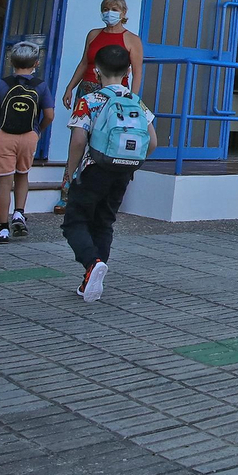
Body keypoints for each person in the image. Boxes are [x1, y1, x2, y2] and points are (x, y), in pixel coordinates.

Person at [62, 44, 156, 303]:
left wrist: (71, 172)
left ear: (95, 70)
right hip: (123, 172)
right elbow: (153, 141)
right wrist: (133, 162)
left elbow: (79, 140)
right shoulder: (136, 101)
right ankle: (91, 278)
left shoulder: (90, 101)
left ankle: (92, 264)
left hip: (95, 170)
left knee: (74, 221)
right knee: (104, 222)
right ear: (128, 71)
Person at [55, 0, 145, 213]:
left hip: (115, 96)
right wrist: (69, 87)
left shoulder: (132, 39)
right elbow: (84, 62)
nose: (109, 12)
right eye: (105, 8)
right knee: (77, 139)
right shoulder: (94, 34)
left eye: (114, 8)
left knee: (107, 139)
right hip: (87, 89)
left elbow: (138, 72)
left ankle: (101, 192)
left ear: (123, 13)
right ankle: (67, 190)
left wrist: (132, 98)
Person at [0, 42, 54, 243]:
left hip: (5, 135)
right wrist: (39, 131)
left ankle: (2, 228)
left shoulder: (2, 84)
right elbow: (49, 115)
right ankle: (19, 213)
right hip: (29, 136)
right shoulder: (41, 86)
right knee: (23, 174)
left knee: (4, 181)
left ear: (11, 62)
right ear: (36, 63)